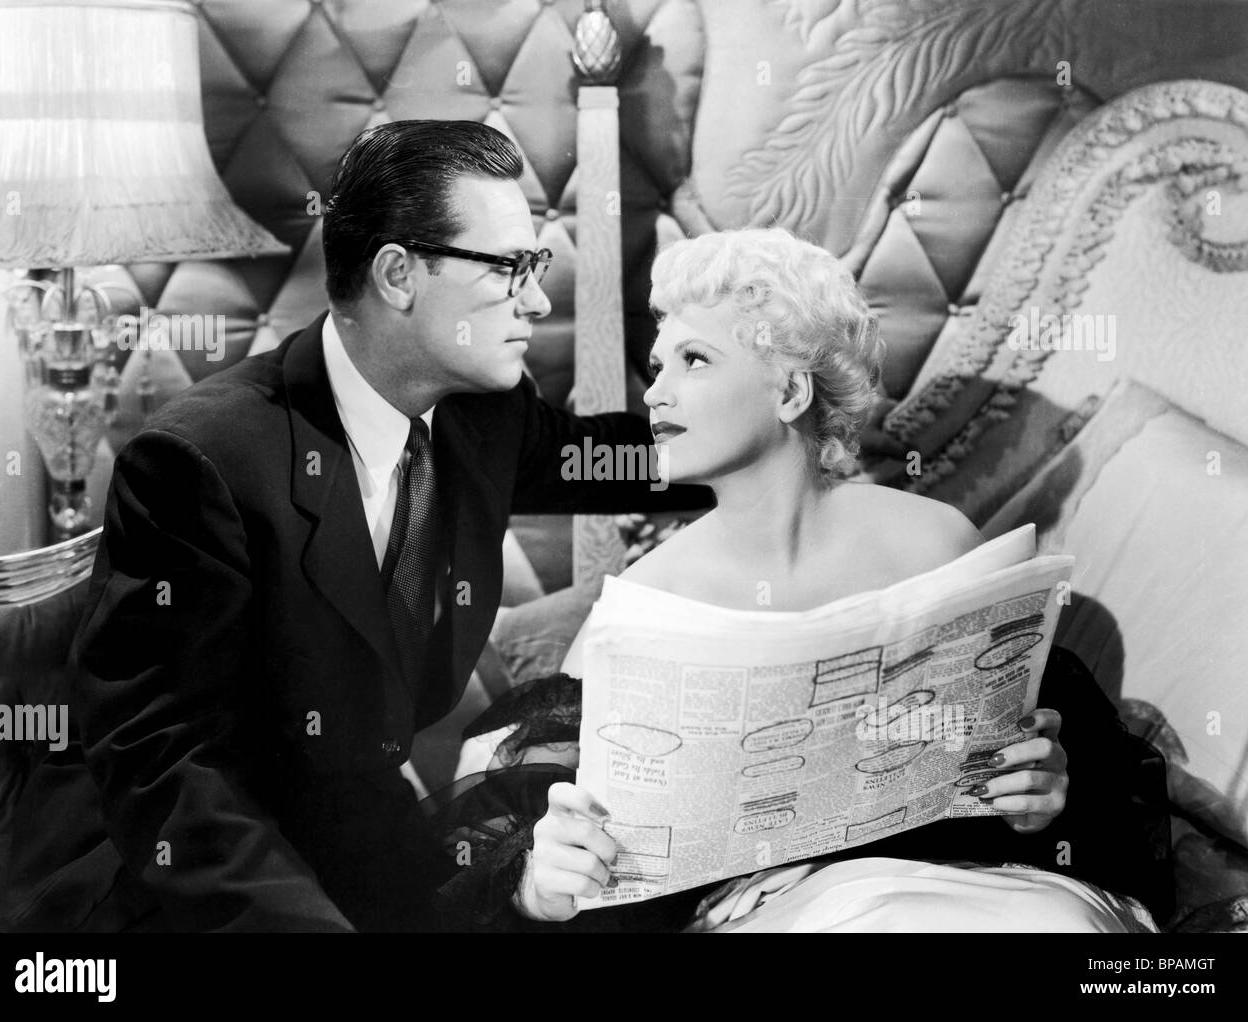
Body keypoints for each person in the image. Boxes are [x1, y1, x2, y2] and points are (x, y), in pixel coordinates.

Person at [3, 120, 708, 933]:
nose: (538, 300)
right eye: (511, 268)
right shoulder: (199, 464)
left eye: (537, 266)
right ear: (399, 274)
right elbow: (164, 765)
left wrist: (758, 431)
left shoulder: (483, 415)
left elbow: (605, 458)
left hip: (345, 827)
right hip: (162, 874)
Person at [435, 228, 1170, 933]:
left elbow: (1053, 786)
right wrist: (542, 881)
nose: (655, 393)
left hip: (980, 891)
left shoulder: (937, 541)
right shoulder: (643, 606)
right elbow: (541, 859)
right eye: (657, 366)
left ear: (790, 392)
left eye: (693, 360)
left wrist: (1043, 793)